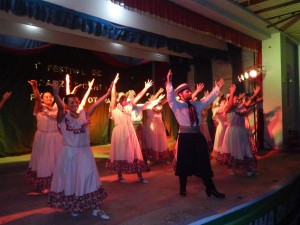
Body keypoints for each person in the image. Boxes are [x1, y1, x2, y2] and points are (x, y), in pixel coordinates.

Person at [48, 79, 113, 219]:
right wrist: (55, 93)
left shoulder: (84, 115)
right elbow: (59, 107)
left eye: (76, 101)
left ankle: (97, 207)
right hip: (70, 153)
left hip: (85, 152)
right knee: (72, 180)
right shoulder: (63, 117)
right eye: (71, 102)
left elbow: (96, 104)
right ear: (66, 104)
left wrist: (107, 94)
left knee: (90, 177)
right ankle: (74, 205)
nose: (74, 104)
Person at [166, 69, 225, 198]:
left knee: (203, 161)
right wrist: (169, 83)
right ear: (181, 95)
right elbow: (170, 98)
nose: (190, 92)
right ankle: (182, 187)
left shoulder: (196, 105)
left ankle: (210, 188)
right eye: (187, 91)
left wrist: (216, 89)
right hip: (185, 138)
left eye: (189, 90)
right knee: (184, 162)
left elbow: (208, 100)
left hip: (197, 136)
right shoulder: (177, 105)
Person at [106, 74, 152, 184]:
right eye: (121, 97)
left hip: (129, 131)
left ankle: (140, 176)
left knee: (135, 153)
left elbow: (138, 97)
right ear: (118, 99)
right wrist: (114, 84)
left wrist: (146, 88)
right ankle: (120, 176)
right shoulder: (113, 108)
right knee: (120, 153)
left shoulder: (129, 106)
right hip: (119, 132)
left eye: (124, 97)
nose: (124, 99)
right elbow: (112, 96)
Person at [25, 80, 62, 193]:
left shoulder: (57, 108)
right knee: (44, 160)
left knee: (56, 161)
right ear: (42, 98)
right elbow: (36, 99)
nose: (49, 98)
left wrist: (57, 91)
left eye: (50, 96)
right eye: (46, 97)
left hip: (56, 138)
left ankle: (55, 183)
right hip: (44, 138)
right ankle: (42, 184)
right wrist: (35, 88)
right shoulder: (39, 108)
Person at [220, 84, 261, 176]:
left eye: (235, 98)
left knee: (245, 149)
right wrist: (231, 92)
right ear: (229, 99)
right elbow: (231, 104)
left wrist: (255, 95)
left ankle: (249, 170)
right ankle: (231, 169)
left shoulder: (238, 106)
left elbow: (247, 104)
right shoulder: (228, 108)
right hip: (233, 132)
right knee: (232, 150)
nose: (236, 99)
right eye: (234, 98)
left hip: (241, 131)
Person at [144, 88, 171, 165]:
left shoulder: (157, 103)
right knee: (152, 141)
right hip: (152, 124)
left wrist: (170, 95)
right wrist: (158, 92)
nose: (154, 98)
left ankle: (164, 158)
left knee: (161, 141)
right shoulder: (148, 103)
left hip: (159, 124)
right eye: (152, 97)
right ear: (149, 98)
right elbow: (155, 108)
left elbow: (165, 100)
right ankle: (150, 158)